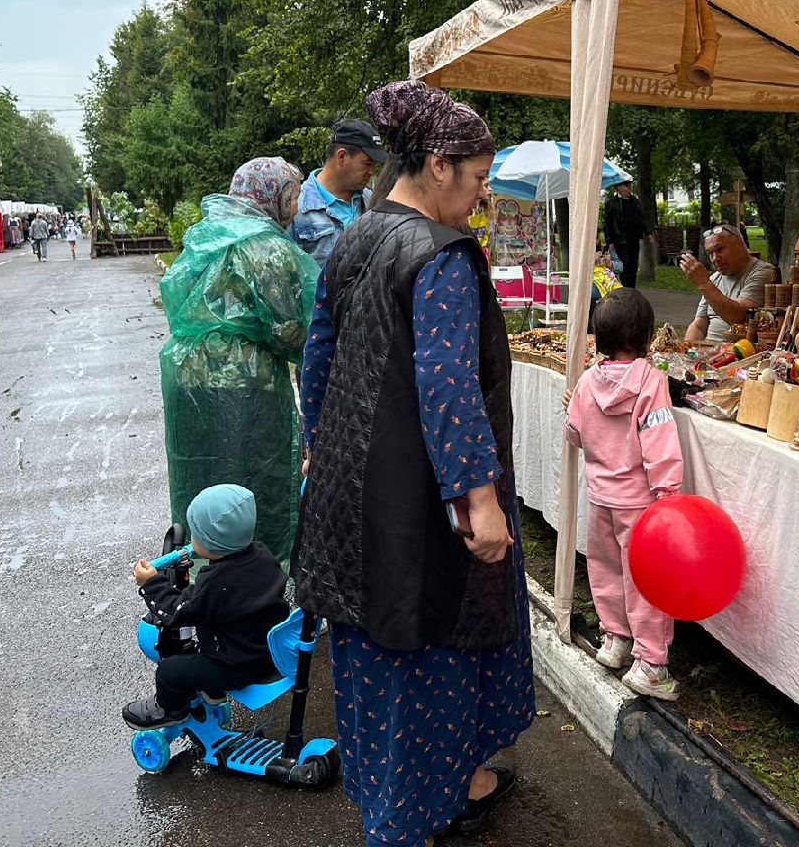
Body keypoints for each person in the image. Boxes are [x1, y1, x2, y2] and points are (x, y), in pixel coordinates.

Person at [295, 80, 533, 847]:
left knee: (370, 664)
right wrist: (481, 500)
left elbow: (319, 356)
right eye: (479, 179)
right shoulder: (441, 254)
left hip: (351, 494)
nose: (482, 196)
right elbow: (447, 383)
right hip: (415, 506)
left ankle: (451, 788)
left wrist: (317, 447)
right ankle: (407, 823)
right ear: (439, 166)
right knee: (425, 661)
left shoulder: (359, 235)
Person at [159, 157, 318, 567]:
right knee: (253, 478)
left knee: (201, 474)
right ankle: (257, 573)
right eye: (294, 196)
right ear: (274, 198)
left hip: (185, 378)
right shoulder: (268, 248)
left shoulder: (203, 235)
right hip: (246, 384)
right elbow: (287, 327)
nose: (297, 207)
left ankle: (198, 563)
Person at [563, 289, 684, 700]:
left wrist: (571, 408)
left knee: (606, 569)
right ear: (648, 337)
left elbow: (575, 434)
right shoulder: (651, 382)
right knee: (646, 578)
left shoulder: (585, 381)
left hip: (601, 499)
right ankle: (650, 662)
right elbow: (660, 439)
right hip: (641, 503)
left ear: (598, 338)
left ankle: (615, 639)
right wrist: (668, 493)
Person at [122, 483, 290, 729]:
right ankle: (213, 691)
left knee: (170, 671)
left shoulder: (216, 584)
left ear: (212, 543)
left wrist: (151, 584)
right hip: (268, 652)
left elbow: (177, 612)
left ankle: (170, 710)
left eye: (196, 535)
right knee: (210, 641)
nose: (192, 539)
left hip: (238, 665)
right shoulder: (262, 555)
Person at [290, 117, 389, 270]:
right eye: (367, 164)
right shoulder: (297, 207)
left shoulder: (370, 200)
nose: (371, 172)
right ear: (342, 157)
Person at [681, 224, 776, 342]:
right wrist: (687, 353)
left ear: (739, 244)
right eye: (710, 253)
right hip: (707, 353)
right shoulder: (714, 279)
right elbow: (698, 326)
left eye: (720, 249)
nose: (715, 258)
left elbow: (738, 318)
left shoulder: (763, 272)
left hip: (739, 355)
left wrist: (703, 283)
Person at [603, 179, 650, 289]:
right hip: (620, 241)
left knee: (633, 266)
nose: (630, 188)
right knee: (625, 266)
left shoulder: (635, 201)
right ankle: (625, 289)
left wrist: (648, 232)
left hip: (634, 239)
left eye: (630, 186)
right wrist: (609, 240)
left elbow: (642, 218)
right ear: (619, 188)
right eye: (627, 186)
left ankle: (632, 289)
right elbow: (607, 223)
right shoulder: (612, 203)